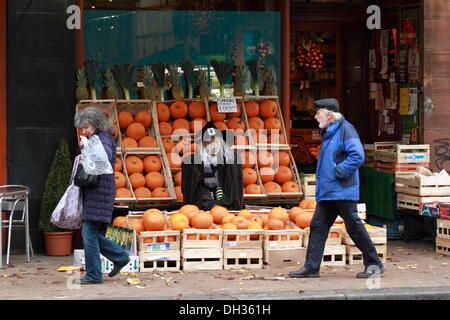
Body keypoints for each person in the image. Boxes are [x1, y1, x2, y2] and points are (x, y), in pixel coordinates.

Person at [289, 98, 384, 279]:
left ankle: (374, 264)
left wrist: (339, 171)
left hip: (342, 189)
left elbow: (357, 155)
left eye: (318, 113)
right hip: (329, 191)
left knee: (354, 226)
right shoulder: (329, 131)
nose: (315, 116)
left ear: (329, 114)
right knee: (318, 226)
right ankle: (311, 267)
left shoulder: (346, 130)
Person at [73, 107, 130, 284]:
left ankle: (94, 275)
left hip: (99, 190)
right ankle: (119, 257)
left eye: (86, 127)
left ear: (95, 123)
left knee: (88, 232)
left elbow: (105, 156)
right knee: (90, 232)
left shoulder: (103, 138)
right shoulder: (99, 137)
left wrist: (87, 147)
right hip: (98, 190)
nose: (84, 131)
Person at [181, 121, 244, 211]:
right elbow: (198, 189)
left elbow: (233, 188)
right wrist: (209, 204)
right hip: (204, 207)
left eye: (217, 142)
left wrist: (223, 204)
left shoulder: (230, 162)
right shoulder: (195, 163)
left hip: (226, 207)